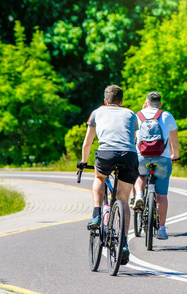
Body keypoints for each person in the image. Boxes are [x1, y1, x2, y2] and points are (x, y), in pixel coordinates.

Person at [77, 85, 139, 265]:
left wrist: (83, 161)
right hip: (128, 154)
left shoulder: (97, 112)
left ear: (105, 100)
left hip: (106, 153)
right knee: (123, 199)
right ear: (122, 101)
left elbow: (88, 142)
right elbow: (133, 138)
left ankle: (97, 214)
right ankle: (124, 243)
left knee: (99, 178)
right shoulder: (130, 114)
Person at [132, 92, 180, 241]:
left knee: (140, 174)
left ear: (146, 103)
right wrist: (175, 155)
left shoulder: (137, 116)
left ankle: (139, 194)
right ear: (160, 104)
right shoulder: (167, 116)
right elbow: (174, 140)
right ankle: (162, 229)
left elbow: (132, 138)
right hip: (162, 159)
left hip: (141, 156)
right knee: (162, 194)